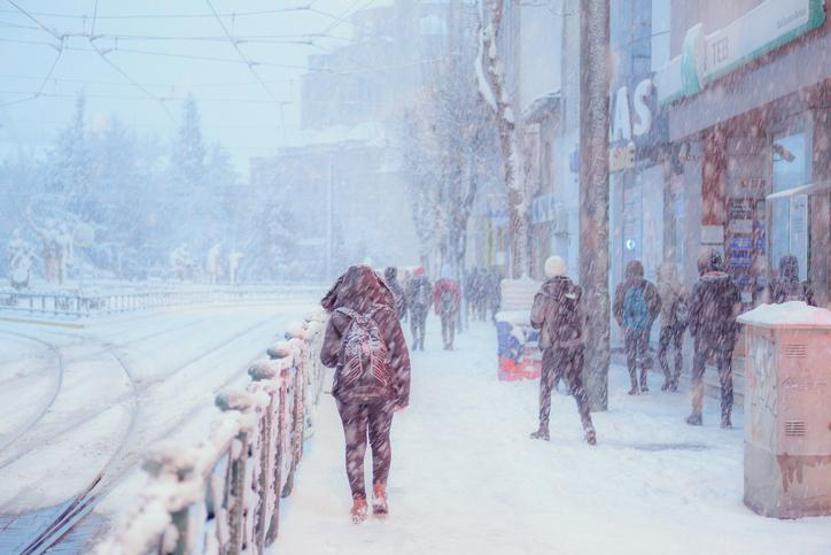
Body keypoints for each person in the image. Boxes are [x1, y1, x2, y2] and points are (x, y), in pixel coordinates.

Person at [320, 265, 411, 523]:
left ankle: (359, 500)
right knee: (381, 441)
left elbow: (327, 357)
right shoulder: (386, 315)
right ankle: (380, 490)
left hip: (349, 393)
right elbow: (400, 357)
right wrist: (402, 393)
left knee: (354, 445)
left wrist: (348, 356)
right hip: (382, 390)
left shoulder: (339, 316)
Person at [529, 256, 596, 445]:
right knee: (577, 386)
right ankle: (588, 426)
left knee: (546, 388)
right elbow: (587, 317)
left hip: (554, 348)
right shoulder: (576, 291)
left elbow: (535, 320)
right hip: (574, 348)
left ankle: (544, 427)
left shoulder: (545, 293)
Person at [686, 249, 741, 428]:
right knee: (725, 375)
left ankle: (697, 412)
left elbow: (693, 312)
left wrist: (695, 330)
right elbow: (736, 311)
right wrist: (733, 332)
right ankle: (726, 416)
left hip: (705, 335)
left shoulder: (700, 286)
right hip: (725, 336)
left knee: (698, 375)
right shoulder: (731, 285)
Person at [613, 260, 661, 394]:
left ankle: (634, 385)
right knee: (643, 353)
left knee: (631, 355)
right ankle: (643, 382)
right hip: (644, 327)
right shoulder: (649, 286)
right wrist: (649, 320)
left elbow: (616, 308)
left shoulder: (622, 287)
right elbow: (658, 305)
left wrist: (622, 324)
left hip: (630, 327)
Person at [656, 262, 687, 392]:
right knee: (677, 351)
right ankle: (675, 379)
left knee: (661, 352)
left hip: (667, 323)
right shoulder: (680, 287)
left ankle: (668, 377)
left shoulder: (662, 287)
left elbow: (659, 305)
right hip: (678, 324)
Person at [433, 268, 461, 350]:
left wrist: (437, 307)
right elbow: (458, 295)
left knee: (444, 325)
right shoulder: (454, 284)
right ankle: (451, 342)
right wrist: (456, 305)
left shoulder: (439, 283)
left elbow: (436, 296)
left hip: (443, 308)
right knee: (451, 326)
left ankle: (445, 342)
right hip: (452, 307)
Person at [406, 266, 432, 351]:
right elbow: (431, 294)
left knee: (413, 325)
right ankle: (421, 343)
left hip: (414, 306)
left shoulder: (412, 282)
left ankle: (415, 338)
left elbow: (408, 294)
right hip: (424, 306)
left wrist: (410, 304)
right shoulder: (427, 282)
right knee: (422, 325)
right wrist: (428, 305)